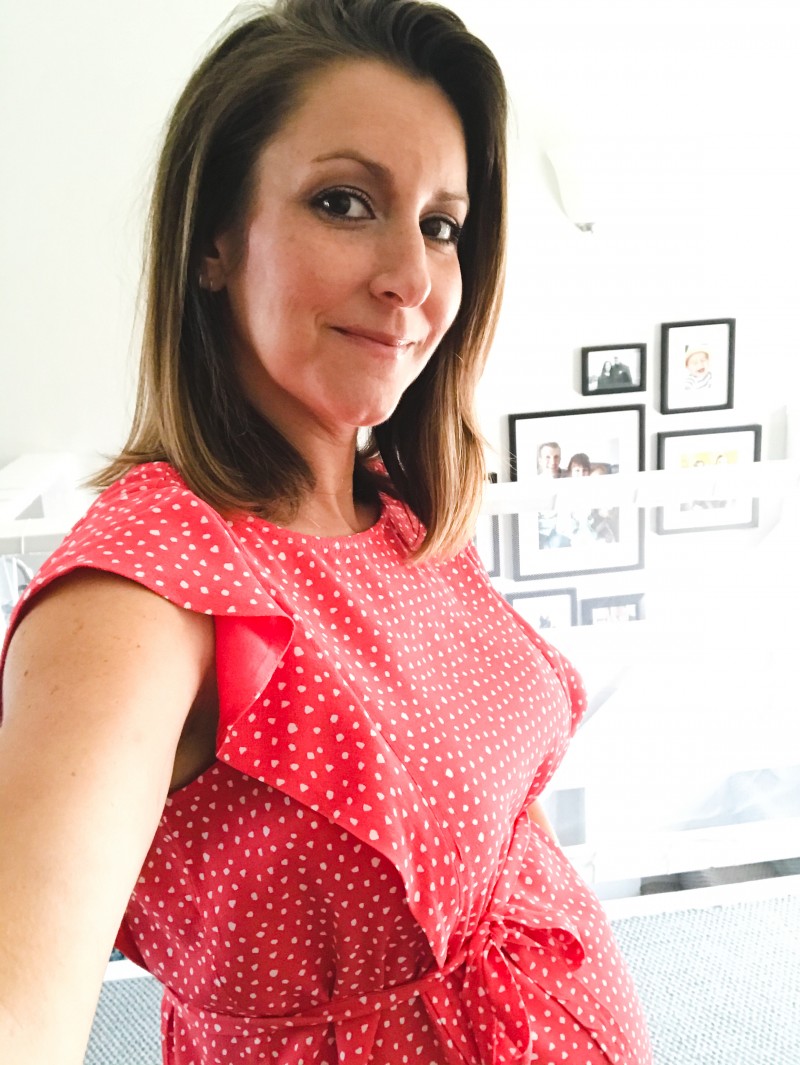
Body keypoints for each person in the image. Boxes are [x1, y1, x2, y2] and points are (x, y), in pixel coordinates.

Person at [0, 2, 652, 1063]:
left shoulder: (399, 513)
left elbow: (501, 815)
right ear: (214, 243)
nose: (410, 278)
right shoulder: (146, 590)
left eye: (442, 224)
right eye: (345, 203)